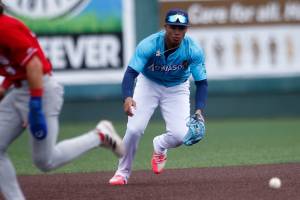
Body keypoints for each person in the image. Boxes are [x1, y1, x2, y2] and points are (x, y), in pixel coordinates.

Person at [0, 2, 124, 200]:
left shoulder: (4, 27)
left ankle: (100, 136)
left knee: (45, 161)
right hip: (19, 90)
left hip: (40, 89)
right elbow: (14, 65)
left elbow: (34, 65)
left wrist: (35, 105)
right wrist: (5, 87)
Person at [109, 8, 208, 185]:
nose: (177, 32)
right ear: (165, 27)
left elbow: (202, 83)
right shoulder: (149, 45)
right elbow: (130, 73)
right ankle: (122, 173)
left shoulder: (193, 50)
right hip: (149, 84)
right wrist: (127, 97)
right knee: (134, 129)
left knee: (179, 136)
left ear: (186, 29)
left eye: (181, 28)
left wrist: (199, 110)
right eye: (173, 27)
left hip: (177, 88)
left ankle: (160, 146)